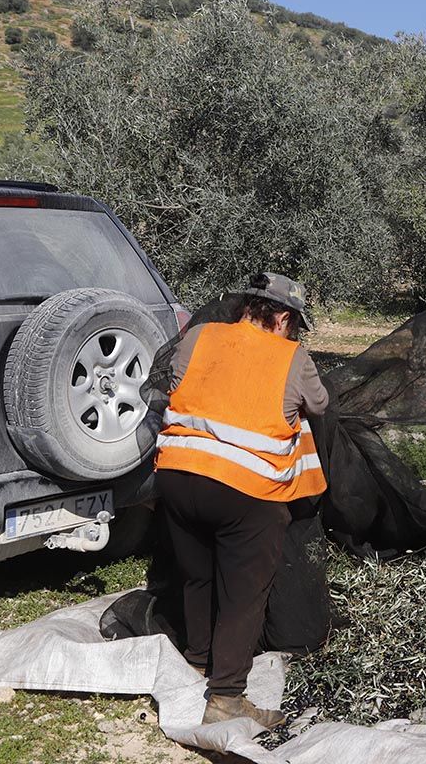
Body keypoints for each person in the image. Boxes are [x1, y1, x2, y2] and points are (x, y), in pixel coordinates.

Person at [155, 272, 329, 728]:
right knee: (244, 595)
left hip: (176, 476)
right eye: (294, 326)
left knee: (196, 575)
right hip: (245, 492)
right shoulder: (293, 356)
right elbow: (320, 405)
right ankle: (227, 697)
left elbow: (177, 383)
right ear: (283, 319)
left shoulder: (199, 335)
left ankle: (196, 660)